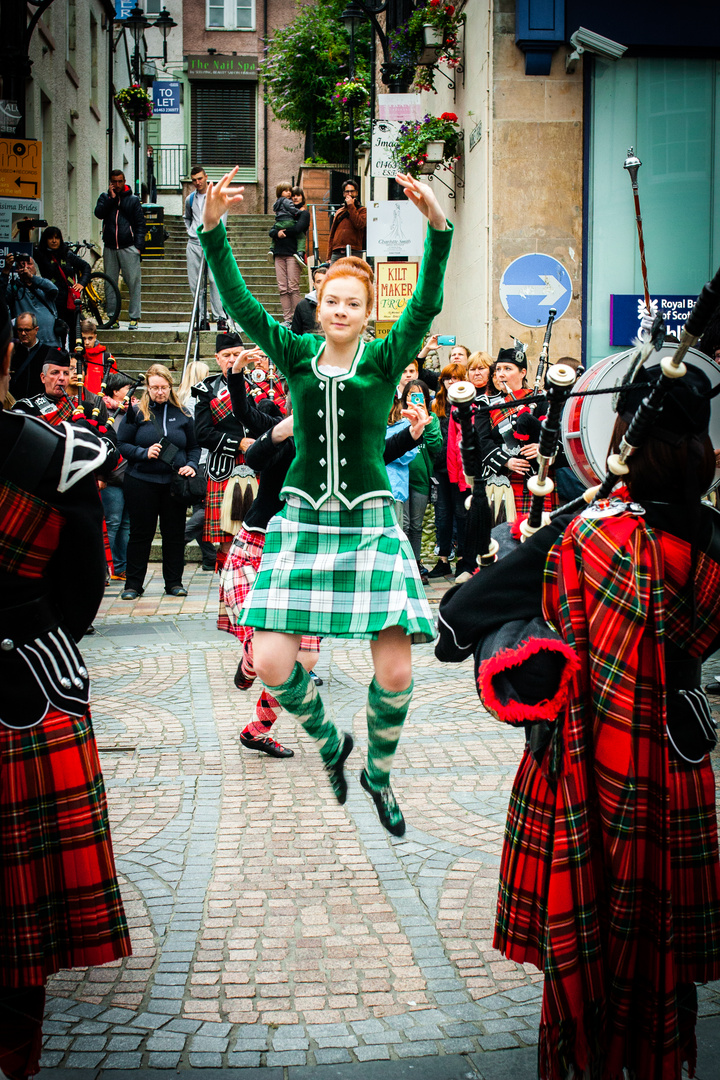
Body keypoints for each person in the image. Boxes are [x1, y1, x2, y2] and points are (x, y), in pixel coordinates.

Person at [435, 362, 720, 1080]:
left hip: (584, 764)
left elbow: (457, 620)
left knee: (589, 936)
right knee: (658, 943)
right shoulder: (713, 536)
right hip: (675, 765)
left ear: (618, 435)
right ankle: (661, 1055)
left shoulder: (580, 536)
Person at [199, 167, 452, 837]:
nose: (341, 310)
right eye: (332, 300)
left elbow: (425, 303)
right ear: (319, 301)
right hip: (304, 521)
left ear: (367, 313)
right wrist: (213, 229)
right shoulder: (296, 352)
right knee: (277, 663)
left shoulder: (383, 358)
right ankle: (330, 742)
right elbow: (244, 306)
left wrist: (437, 230)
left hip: (368, 522)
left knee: (395, 668)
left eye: (352, 303)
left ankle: (379, 773)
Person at [0, 295, 131, 1077]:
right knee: (20, 919)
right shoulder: (55, 452)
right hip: (26, 678)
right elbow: (85, 582)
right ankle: (18, 1055)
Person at [223, 347, 432, 760]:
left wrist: (411, 432)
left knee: (308, 655)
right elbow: (253, 450)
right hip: (262, 544)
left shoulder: (347, 434)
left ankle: (257, 727)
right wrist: (256, 399)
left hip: (309, 551)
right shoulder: (279, 418)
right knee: (264, 649)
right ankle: (251, 661)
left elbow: (378, 452)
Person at [116, 364, 200, 599]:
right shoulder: (135, 412)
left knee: (174, 533)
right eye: (154, 388)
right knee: (141, 533)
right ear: (147, 388)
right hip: (141, 480)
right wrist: (144, 452)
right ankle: (133, 585)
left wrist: (191, 466)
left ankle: (174, 583)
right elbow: (122, 444)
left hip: (174, 483)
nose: (159, 392)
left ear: (170, 387)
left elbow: (193, 447)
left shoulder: (182, 413)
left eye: (163, 387)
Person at [193, 332, 252, 606]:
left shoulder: (261, 386)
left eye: (236, 355)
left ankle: (252, 590)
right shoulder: (206, 390)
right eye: (226, 355)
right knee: (227, 537)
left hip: (256, 467)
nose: (231, 360)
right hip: (223, 470)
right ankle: (230, 593)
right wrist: (237, 443)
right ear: (217, 359)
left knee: (255, 533)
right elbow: (202, 434)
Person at [475, 344, 556, 525]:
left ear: (523, 373)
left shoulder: (541, 400)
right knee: (499, 540)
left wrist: (542, 448)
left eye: (508, 369)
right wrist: (506, 461)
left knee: (535, 538)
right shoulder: (486, 404)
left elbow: (555, 435)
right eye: (498, 370)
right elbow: (482, 441)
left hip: (535, 479)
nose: (501, 374)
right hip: (501, 482)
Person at [427, 361, 469, 579]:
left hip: (460, 468)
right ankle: (443, 559)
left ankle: (462, 558)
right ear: (442, 381)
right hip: (440, 468)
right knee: (442, 515)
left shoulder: (467, 402)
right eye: (448, 378)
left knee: (461, 514)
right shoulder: (436, 404)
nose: (452, 381)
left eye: (457, 377)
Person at [94, 169, 145, 330]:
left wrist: (138, 247)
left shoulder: (133, 200)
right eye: (114, 182)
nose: (117, 185)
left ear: (124, 181)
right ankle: (112, 317)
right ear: (110, 182)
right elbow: (99, 213)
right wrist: (111, 199)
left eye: (120, 181)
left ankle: (134, 317)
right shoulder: (105, 198)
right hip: (110, 247)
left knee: (133, 282)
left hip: (128, 246)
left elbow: (140, 225)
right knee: (110, 283)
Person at [178, 360, 216, 573]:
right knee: (204, 509)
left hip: (192, 460)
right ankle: (179, 539)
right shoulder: (196, 401)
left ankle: (209, 557)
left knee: (200, 507)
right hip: (202, 459)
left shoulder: (182, 398)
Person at [402, 378, 441, 582]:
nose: (414, 398)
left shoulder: (432, 419)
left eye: (418, 395)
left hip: (420, 479)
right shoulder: (399, 417)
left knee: (416, 526)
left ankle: (415, 565)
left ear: (426, 398)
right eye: (410, 394)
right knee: (404, 525)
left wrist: (426, 421)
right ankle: (404, 566)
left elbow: (436, 446)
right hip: (400, 479)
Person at [184, 165, 229, 331]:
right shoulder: (190, 199)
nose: (197, 182)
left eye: (200, 179)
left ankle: (220, 317)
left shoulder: (216, 196)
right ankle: (201, 318)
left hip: (212, 242)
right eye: (194, 180)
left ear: (206, 177)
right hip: (195, 242)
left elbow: (221, 220)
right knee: (196, 283)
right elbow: (187, 217)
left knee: (214, 280)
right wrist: (191, 231)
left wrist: (214, 236)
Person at [100, 372, 133, 581]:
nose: (131, 392)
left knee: (127, 524)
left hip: (129, 476)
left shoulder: (133, 411)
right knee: (112, 522)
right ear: (115, 390)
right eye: (127, 389)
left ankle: (122, 566)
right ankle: (104, 566)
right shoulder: (103, 411)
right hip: (111, 477)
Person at [34, 226, 91, 347]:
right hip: (53, 300)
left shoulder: (67, 254)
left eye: (57, 238)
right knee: (58, 331)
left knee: (75, 333)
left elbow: (86, 266)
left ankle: (74, 359)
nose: (54, 241)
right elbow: (26, 249)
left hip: (70, 301)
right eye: (51, 238)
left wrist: (81, 284)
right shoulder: (41, 255)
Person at [0, 251, 62, 347]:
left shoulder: (42, 284)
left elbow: (54, 290)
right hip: (28, 345)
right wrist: (6, 270)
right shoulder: (13, 288)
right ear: (17, 270)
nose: (26, 267)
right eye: (21, 265)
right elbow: (0, 296)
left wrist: (31, 277)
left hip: (51, 343)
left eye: (29, 264)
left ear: (35, 268)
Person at [270, 184, 310, 326]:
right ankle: (288, 319)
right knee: (282, 288)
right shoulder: (283, 213)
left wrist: (283, 232)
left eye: (297, 195)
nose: (294, 197)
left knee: (293, 287)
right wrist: (276, 232)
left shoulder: (303, 213)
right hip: (279, 252)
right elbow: (273, 229)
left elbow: (298, 228)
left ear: (302, 197)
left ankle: (298, 320)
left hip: (293, 253)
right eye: (292, 195)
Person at [8, 312, 53, 400]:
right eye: (20, 330)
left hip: (40, 405)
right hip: (15, 404)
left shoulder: (48, 352)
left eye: (27, 330)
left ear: (36, 330)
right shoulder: (12, 352)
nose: (23, 333)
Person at [327, 179, 367, 262]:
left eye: (352, 191)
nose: (349, 194)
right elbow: (332, 234)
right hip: (337, 251)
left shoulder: (362, 210)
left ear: (356, 193)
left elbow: (359, 224)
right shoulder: (340, 212)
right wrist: (329, 256)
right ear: (344, 194)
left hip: (354, 251)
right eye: (347, 192)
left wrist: (351, 206)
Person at [78, 318, 117, 395]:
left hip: (100, 402)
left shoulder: (107, 358)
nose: (87, 342)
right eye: (83, 338)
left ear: (95, 337)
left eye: (90, 338)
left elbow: (115, 385)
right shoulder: (75, 357)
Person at [291, 262, 329, 336]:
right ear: (314, 285)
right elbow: (295, 334)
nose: (322, 285)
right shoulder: (302, 306)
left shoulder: (338, 305)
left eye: (325, 281)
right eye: (319, 282)